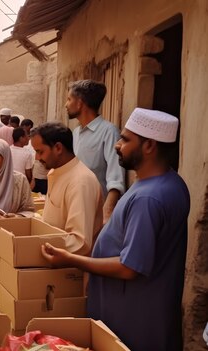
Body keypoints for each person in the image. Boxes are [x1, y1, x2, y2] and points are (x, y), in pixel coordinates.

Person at [41, 108, 188, 351]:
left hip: (134, 321)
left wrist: (71, 259)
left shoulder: (149, 199)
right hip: (139, 313)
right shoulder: (168, 182)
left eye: (125, 139)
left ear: (149, 146)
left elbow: (130, 267)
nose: (117, 145)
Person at [31, 122, 103, 255]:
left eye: (40, 152)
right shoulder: (56, 173)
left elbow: (80, 242)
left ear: (58, 148)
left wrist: (35, 245)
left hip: (70, 269)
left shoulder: (80, 182)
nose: (37, 158)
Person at [66, 80, 125, 223]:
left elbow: (115, 177)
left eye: (69, 99)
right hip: (76, 208)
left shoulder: (108, 131)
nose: (66, 104)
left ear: (80, 103)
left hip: (97, 215)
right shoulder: (76, 133)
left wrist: (107, 212)